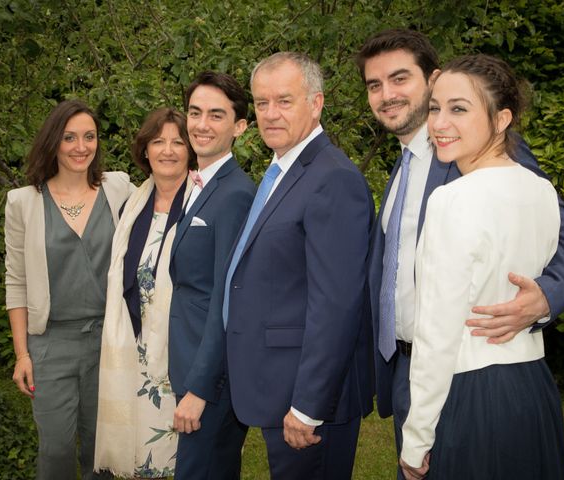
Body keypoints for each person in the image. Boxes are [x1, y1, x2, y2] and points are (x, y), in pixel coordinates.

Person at [355, 28, 564, 476]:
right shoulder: (399, 172)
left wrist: (545, 295)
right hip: (418, 372)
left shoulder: (485, 167)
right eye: (374, 84)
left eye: (400, 78)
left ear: (431, 78)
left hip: (460, 375)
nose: (387, 94)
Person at [223, 52, 375, 480]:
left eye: (284, 101)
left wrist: (308, 406)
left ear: (316, 103)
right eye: (262, 103)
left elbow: (337, 305)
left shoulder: (333, 178)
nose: (270, 114)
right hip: (278, 383)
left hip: (309, 401)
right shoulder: (282, 172)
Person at [4, 99, 133, 480]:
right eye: (70, 137)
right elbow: (16, 281)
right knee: (56, 450)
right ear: (53, 142)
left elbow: (163, 202)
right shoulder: (23, 202)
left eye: (89, 137)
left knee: (104, 452)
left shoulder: (119, 189)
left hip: (107, 341)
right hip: (50, 345)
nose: (81, 147)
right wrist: (22, 354)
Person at [94, 108, 196, 479]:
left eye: (177, 142)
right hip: (131, 351)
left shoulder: (202, 202)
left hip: (176, 355)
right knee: (135, 456)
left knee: (172, 457)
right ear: (145, 149)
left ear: (191, 150)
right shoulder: (131, 206)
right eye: (158, 141)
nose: (167, 150)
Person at [168, 71, 255, 479]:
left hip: (213, 380)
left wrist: (201, 388)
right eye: (195, 112)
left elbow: (229, 296)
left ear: (239, 127)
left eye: (216, 115)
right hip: (190, 360)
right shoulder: (198, 183)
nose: (201, 124)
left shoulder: (236, 193)